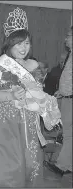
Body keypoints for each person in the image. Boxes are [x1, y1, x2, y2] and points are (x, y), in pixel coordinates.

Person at [0, 7, 51, 187]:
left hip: (28, 120)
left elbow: (37, 91)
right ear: (9, 44)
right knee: (9, 165)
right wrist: (11, 94)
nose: (23, 47)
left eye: (26, 43)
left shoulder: (33, 65)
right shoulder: (0, 66)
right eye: (18, 43)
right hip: (5, 122)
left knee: (30, 163)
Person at [51, 26, 72, 175]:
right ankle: (68, 165)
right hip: (66, 97)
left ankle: (62, 165)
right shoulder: (71, 54)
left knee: (69, 134)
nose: (66, 39)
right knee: (69, 134)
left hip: (70, 100)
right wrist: (62, 91)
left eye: (68, 35)